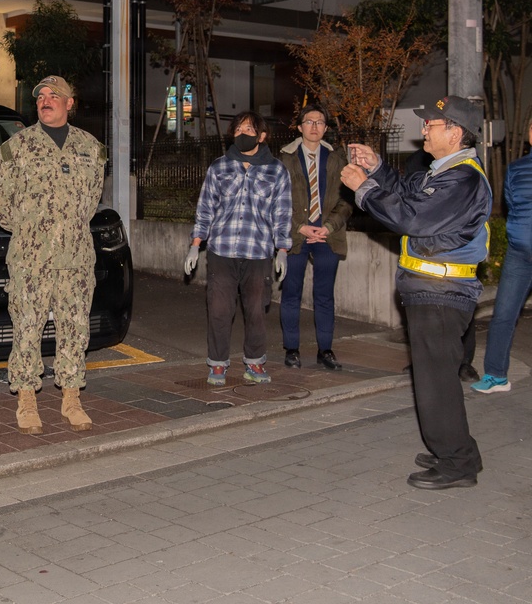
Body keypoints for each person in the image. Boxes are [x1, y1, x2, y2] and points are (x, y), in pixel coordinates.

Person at [340, 95, 490, 490]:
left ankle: (456, 463)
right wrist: (377, 169)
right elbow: (409, 194)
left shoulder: (464, 178)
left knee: (435, 382)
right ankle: (459, 450)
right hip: (433, 290)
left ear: (455, 132)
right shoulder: (444, 171)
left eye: (432, 124)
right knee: (435, 377)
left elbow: (413, 217)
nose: (424, 128)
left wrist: (365, 190)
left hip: (442, 292)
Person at [0, 75, 104, 434]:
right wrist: (29, 231)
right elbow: (0, 201)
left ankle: (71, 399)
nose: (46, 99)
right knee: (26, 328)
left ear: (71, 103)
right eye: (41, 96)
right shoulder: (16, 147)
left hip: (76, 259)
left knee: (75, 329)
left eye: (55, 95)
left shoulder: (91, 148)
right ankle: (26, 401)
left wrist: (65, 230)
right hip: (30, 259)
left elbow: (90, 202)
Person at [184, 111, 292, 385]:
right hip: (222, 250)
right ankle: (217, 364)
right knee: (219, 309)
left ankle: (254, 363)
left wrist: (282, 249)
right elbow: (205, 208)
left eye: (249, 129)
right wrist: (196, 245)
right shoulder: (219, 167)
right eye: (239, 129)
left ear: (262, 136)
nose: (243, 133)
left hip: (258, 252)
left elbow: (282, 212)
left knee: (256, 310)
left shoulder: (276, 170)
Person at [277, 104, 352, 371]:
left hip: (326, 235)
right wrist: (299, 227)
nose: (315, 127)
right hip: (295, 234)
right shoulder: (285, 158)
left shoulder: (336, 158)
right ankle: (292, 349)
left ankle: (325, 350)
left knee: (324, 295)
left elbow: (347, 198)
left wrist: (329, 227)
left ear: (326, 128)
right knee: (291, 293)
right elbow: (277, 201)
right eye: (309, 122)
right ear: (299, 127)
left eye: (320, 122)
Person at [403, 148, 480, 382]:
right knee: (423, 326)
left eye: (432, 124)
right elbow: (410, 200)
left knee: (458, 316)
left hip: (453, 259)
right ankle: (422, 362)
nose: (426, 130)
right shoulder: (416, 161)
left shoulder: (464, 169)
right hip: (422, 262)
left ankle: (464, 362)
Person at [471, 115, 532, 394]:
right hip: (519, 254)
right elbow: (509, 204)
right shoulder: (516, 168)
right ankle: (496, 375)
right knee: (504, 313)